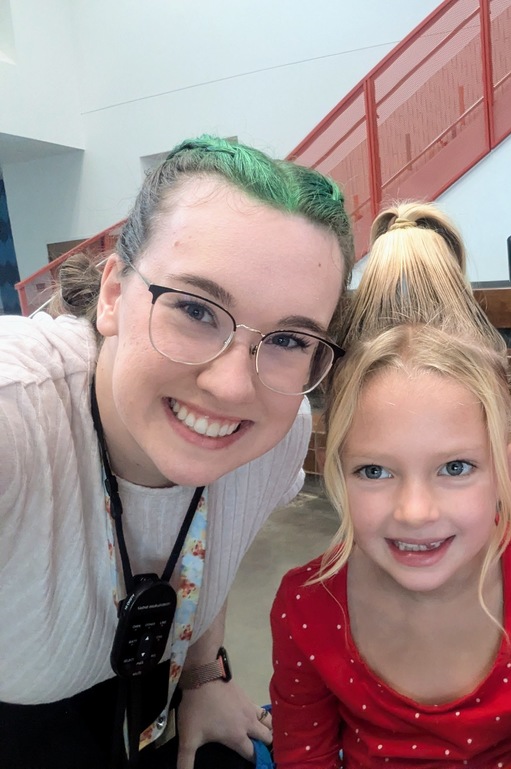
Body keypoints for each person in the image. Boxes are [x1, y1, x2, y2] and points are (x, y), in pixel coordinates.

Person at [0, 135, 354, 769]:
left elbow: (214, 544)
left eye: (289, 338)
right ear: (112, 295)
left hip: (147, 715)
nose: (232, 385)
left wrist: (203, 675)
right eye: (195, 308)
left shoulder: (280, 428)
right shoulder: (19, 416)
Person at [269, 202, 511, 769]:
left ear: (510, 470)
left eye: (455, 468)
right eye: (375, 471)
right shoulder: (305, 606)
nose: (416, 511)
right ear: (336, 472)